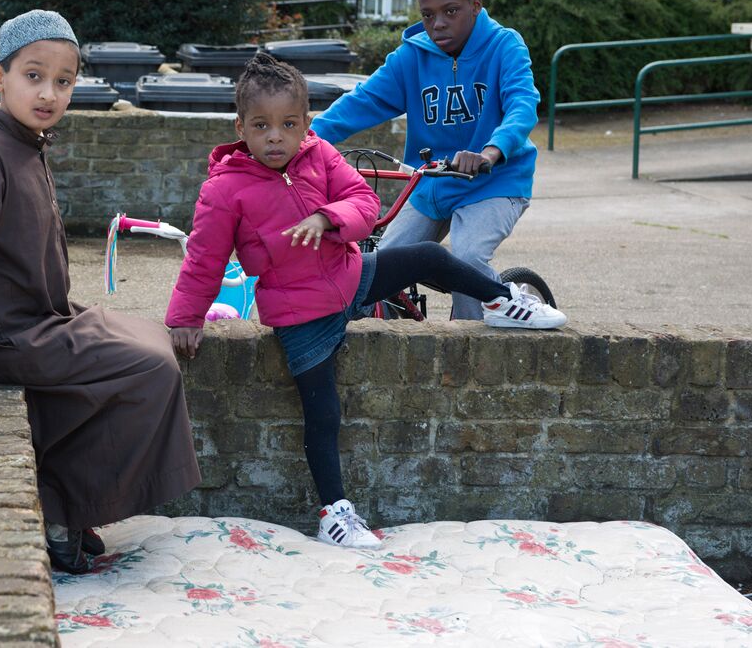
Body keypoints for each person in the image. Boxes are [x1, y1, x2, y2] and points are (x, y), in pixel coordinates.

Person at [166, 53, 565, 549]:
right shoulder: (224, 189)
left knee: (425, 256)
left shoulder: (319, 155)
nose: (276, 136)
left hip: (350, 275)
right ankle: (335, 514)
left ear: (305, 124)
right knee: (322, 413)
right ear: (240, 127)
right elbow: (203, 259)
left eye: (288, 124)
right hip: (300, 313)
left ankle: (503, 302)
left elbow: (364, 203)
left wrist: (328, 219)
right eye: (261, 126)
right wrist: (185, 317)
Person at [0, 9, 200, 574]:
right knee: (151, 368)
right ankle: (62, 509)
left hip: (36, 319)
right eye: (33, 76)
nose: (49, 92)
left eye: (63, 80)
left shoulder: (24, 142)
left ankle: (70, 506)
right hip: (7, 336)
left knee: (150, 339)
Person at [311, 0, 540, 320]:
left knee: (467, 260)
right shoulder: (412, 57)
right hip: (432, 182)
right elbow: (362, 102)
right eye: (428, 15)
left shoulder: (504, 46)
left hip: (493, 181)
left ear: (475, 6)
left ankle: (472, 351)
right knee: (379, 266)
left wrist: (490, 153)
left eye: (451, 11)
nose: (439, 24)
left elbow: (522, 106)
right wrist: (304, 139)